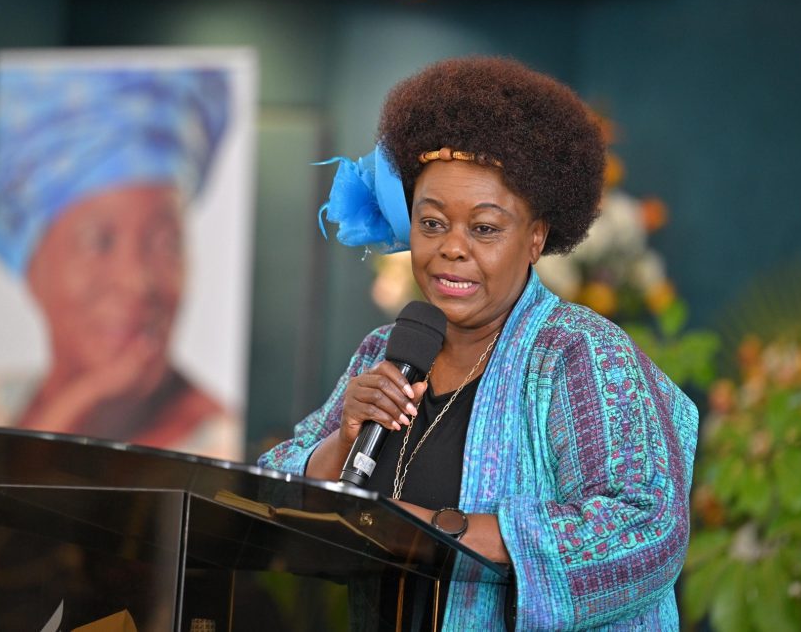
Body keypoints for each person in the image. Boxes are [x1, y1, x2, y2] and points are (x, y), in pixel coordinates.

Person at [259, 56, 698, 630]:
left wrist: (432, 531)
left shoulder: (579, 354)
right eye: (432, 222)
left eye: (485, 228)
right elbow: (270, 489)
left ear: (537, 237)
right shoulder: (385, 351)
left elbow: (645, 526)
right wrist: (341, 443)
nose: (452, 249)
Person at [0, 66, 240, 458]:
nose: (137, 281)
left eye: (165, 243)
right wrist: (76, 406)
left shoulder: (225, 448)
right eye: (99, 242)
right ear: (31, 264)